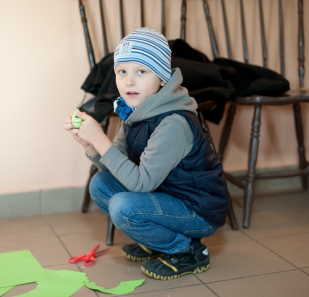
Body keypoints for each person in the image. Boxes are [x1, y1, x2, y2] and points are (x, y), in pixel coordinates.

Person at [63, 27, 228, 280]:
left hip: (197, 210)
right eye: (122, 71)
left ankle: (187, 250)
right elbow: (115, 162)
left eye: (141, 71)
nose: (129, 81)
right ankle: (159, 241)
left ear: (162, 78)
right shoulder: (134, 111)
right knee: (101, 184)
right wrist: (89, 144)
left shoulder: (173, 123)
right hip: (167, 196)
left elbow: (140, 183)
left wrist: (99, 138)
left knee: (123, 206)